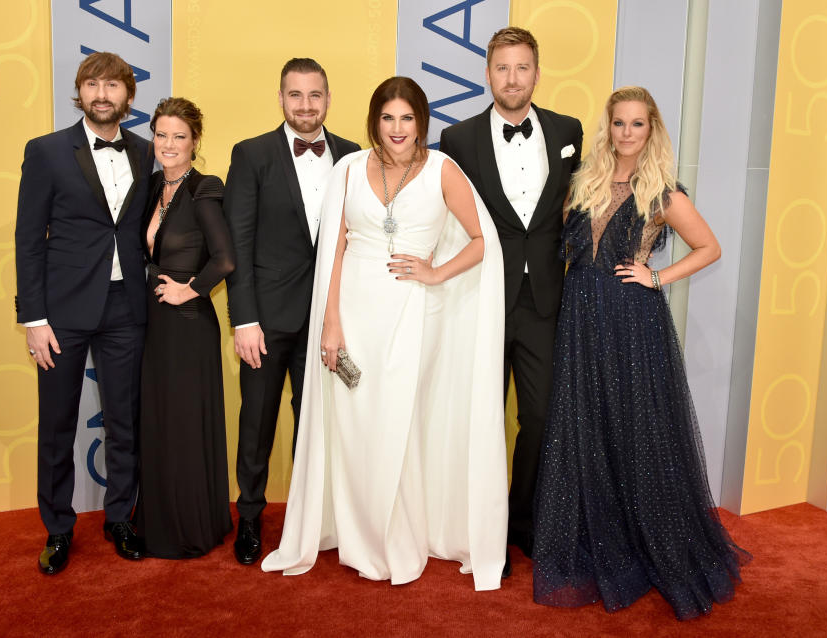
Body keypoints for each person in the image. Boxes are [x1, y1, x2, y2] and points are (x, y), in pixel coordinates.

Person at [261, 77, 508, 590]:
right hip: (353, 312)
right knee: (355, 424)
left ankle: (398, 537)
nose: (397, 129)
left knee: (399, 422)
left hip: (414, 316)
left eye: (408, 118)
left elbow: (484, 240)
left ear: (422, 123)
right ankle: (360, 536)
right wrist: (330, 324)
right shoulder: (348, 170)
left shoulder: (443, 170)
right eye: (388, 118)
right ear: (375, 121)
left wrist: (437, 272)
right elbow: (334, 250)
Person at [531, 86, 750, 619]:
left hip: (632, 321)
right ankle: (595, 536)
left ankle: (648, 542)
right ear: (607, 128)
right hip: (580, 320)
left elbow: (710, 247)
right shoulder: (582, 182)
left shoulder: (663, 193)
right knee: (586, 426)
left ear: (652, 130)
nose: (627, 134)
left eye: (637, 124)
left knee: (636, 428)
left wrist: (658, 276)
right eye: (619, 124)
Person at [439, 27, 583, 573]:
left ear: (537, 73)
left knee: (541, 418)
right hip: (479, 297)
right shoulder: (458, 139)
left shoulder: (568, 131)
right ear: (488, 74)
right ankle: (483, 527)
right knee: (479, 418)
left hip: (544, 299)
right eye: (502, 68)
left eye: (523, 68)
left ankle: (522, 520)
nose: (513, 78)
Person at [15, 52, 152, 574]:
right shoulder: (47, 151)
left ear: (128, 96)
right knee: (56, 425)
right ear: (80, 92)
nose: (102, 93)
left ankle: (121, 517)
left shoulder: (145, 151)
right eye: (92, 84)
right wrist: (34, 318)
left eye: (112, 85)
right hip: (62, 313)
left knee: (126, 421)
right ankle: (57, 529)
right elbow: (28, 239)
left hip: (125, 307)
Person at [223, 58, 360, 565]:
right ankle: (251, 521)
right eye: (296, 95)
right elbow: (237, 240)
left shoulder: (351, 155)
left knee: (322, 426)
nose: (306, 105)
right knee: (256, 424)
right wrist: (244, 319)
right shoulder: (252, 154)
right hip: (265, 320)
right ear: (280, 98)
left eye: (315, 95)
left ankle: (314, 521)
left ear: (328, 98)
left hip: (328, 322)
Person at [132, 98, 236, 558]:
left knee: (184, 426)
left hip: (189, 325)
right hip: (155, 326)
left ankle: (189, 528)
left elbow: (225, 258)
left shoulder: (204, 187)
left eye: (179, 136)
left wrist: (190, 290)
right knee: (160, 424)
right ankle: (159, 519)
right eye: (161, 134)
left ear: (195, 142)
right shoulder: (154, 185)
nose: (169, 144)